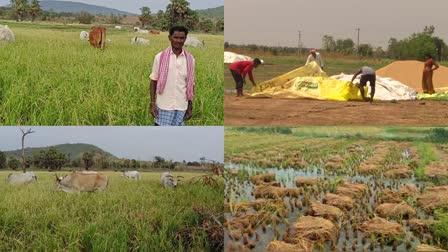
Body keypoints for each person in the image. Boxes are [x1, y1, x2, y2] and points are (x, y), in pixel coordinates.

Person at [149, 25, 195, 126]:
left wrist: (190, 106)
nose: (178, 41)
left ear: (185, 39)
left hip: (182, 105)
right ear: (170, 38)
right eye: (176, 37)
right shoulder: (160, 57)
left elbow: (191, 84)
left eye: (182, 38)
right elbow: (153, 80)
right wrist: (152, 103)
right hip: (164, 105)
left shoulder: (190, 59)